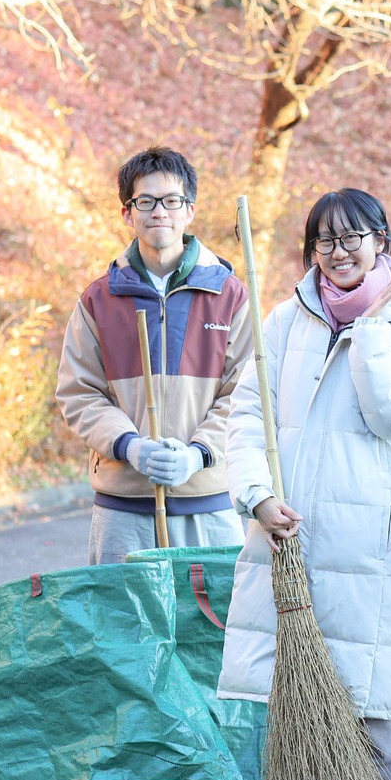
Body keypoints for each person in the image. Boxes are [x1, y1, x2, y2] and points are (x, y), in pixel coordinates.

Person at [217, 189, 391, 780]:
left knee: (363, 672)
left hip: (366, 538)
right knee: (283, 676)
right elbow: (247, 414)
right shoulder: (284, 321)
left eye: (352, 238)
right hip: (287, 529)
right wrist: (257, 496)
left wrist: (371, 333)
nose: (338, 252)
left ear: (381, 242)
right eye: (325, 240)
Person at [56, 146, 254, 563]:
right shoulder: (99, 299)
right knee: (123, 627)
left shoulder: (230, 295)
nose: (158, 212)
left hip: (209, 502)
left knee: (210, 628)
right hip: (123, 508)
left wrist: (197, 454)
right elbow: (79, 392)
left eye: (171, 201)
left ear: (190, 211)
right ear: (128, 213)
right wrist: (129, 447)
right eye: (144, 202)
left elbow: (246, 392)